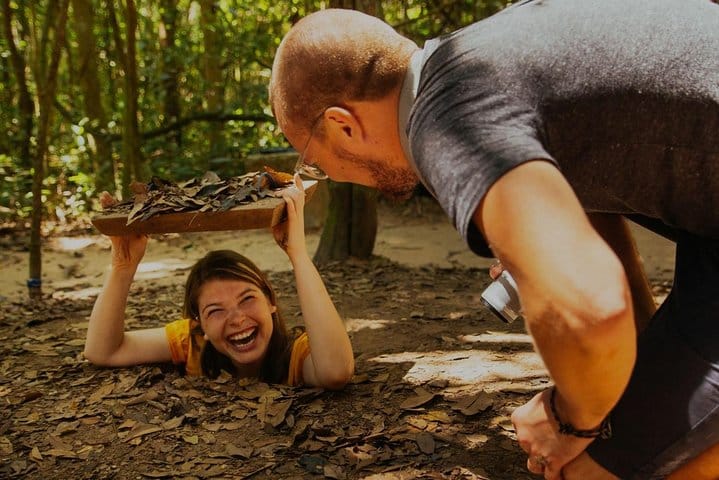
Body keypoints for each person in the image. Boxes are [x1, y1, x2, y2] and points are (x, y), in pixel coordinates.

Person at [268, 1, 719, 478]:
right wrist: (629, 380)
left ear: (343, 125)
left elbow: (590, 305)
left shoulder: (448, 120)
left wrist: (569, 420)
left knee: (586, 469)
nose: (328, 175)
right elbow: (589, 207)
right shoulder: (481, 58)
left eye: (314, 161)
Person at [84, 175, 354, 389]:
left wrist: (298, 254)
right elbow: (103, 351)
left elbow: (336, 372)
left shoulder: (296, 354)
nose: (237, 319)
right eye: (215, 311)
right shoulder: (194, 343)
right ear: (199, 325)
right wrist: (122, 266)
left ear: (271, 302)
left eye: (247, 299)